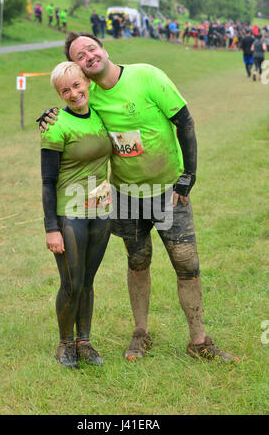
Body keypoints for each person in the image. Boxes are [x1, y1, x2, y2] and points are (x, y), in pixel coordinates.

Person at [38, 32, 239, 364]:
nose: (88, 56)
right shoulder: (89, 98)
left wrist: (189, 176)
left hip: (168, 193)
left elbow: (184, 122)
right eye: (79, 56)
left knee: (187, 265)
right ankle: (140, 334)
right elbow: (72, 112)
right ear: (79, 70)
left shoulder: (147, 74)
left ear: (103, 49)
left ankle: (199, 340)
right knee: (137, 262)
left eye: (91, 48)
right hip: (127, 196)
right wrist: (50, 114)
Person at [39, 61, 112, 368]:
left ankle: (84, 341)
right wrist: (51, 228)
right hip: (70, 215)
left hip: (101, 212)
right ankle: (65, 344)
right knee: (72, 283)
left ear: (87, 83)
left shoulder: (100, 114)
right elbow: (47, 181)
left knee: (89, 281)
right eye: (64, 90)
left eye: (77, 85)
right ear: (59, 93)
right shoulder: (55, 125)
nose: (73, 93)